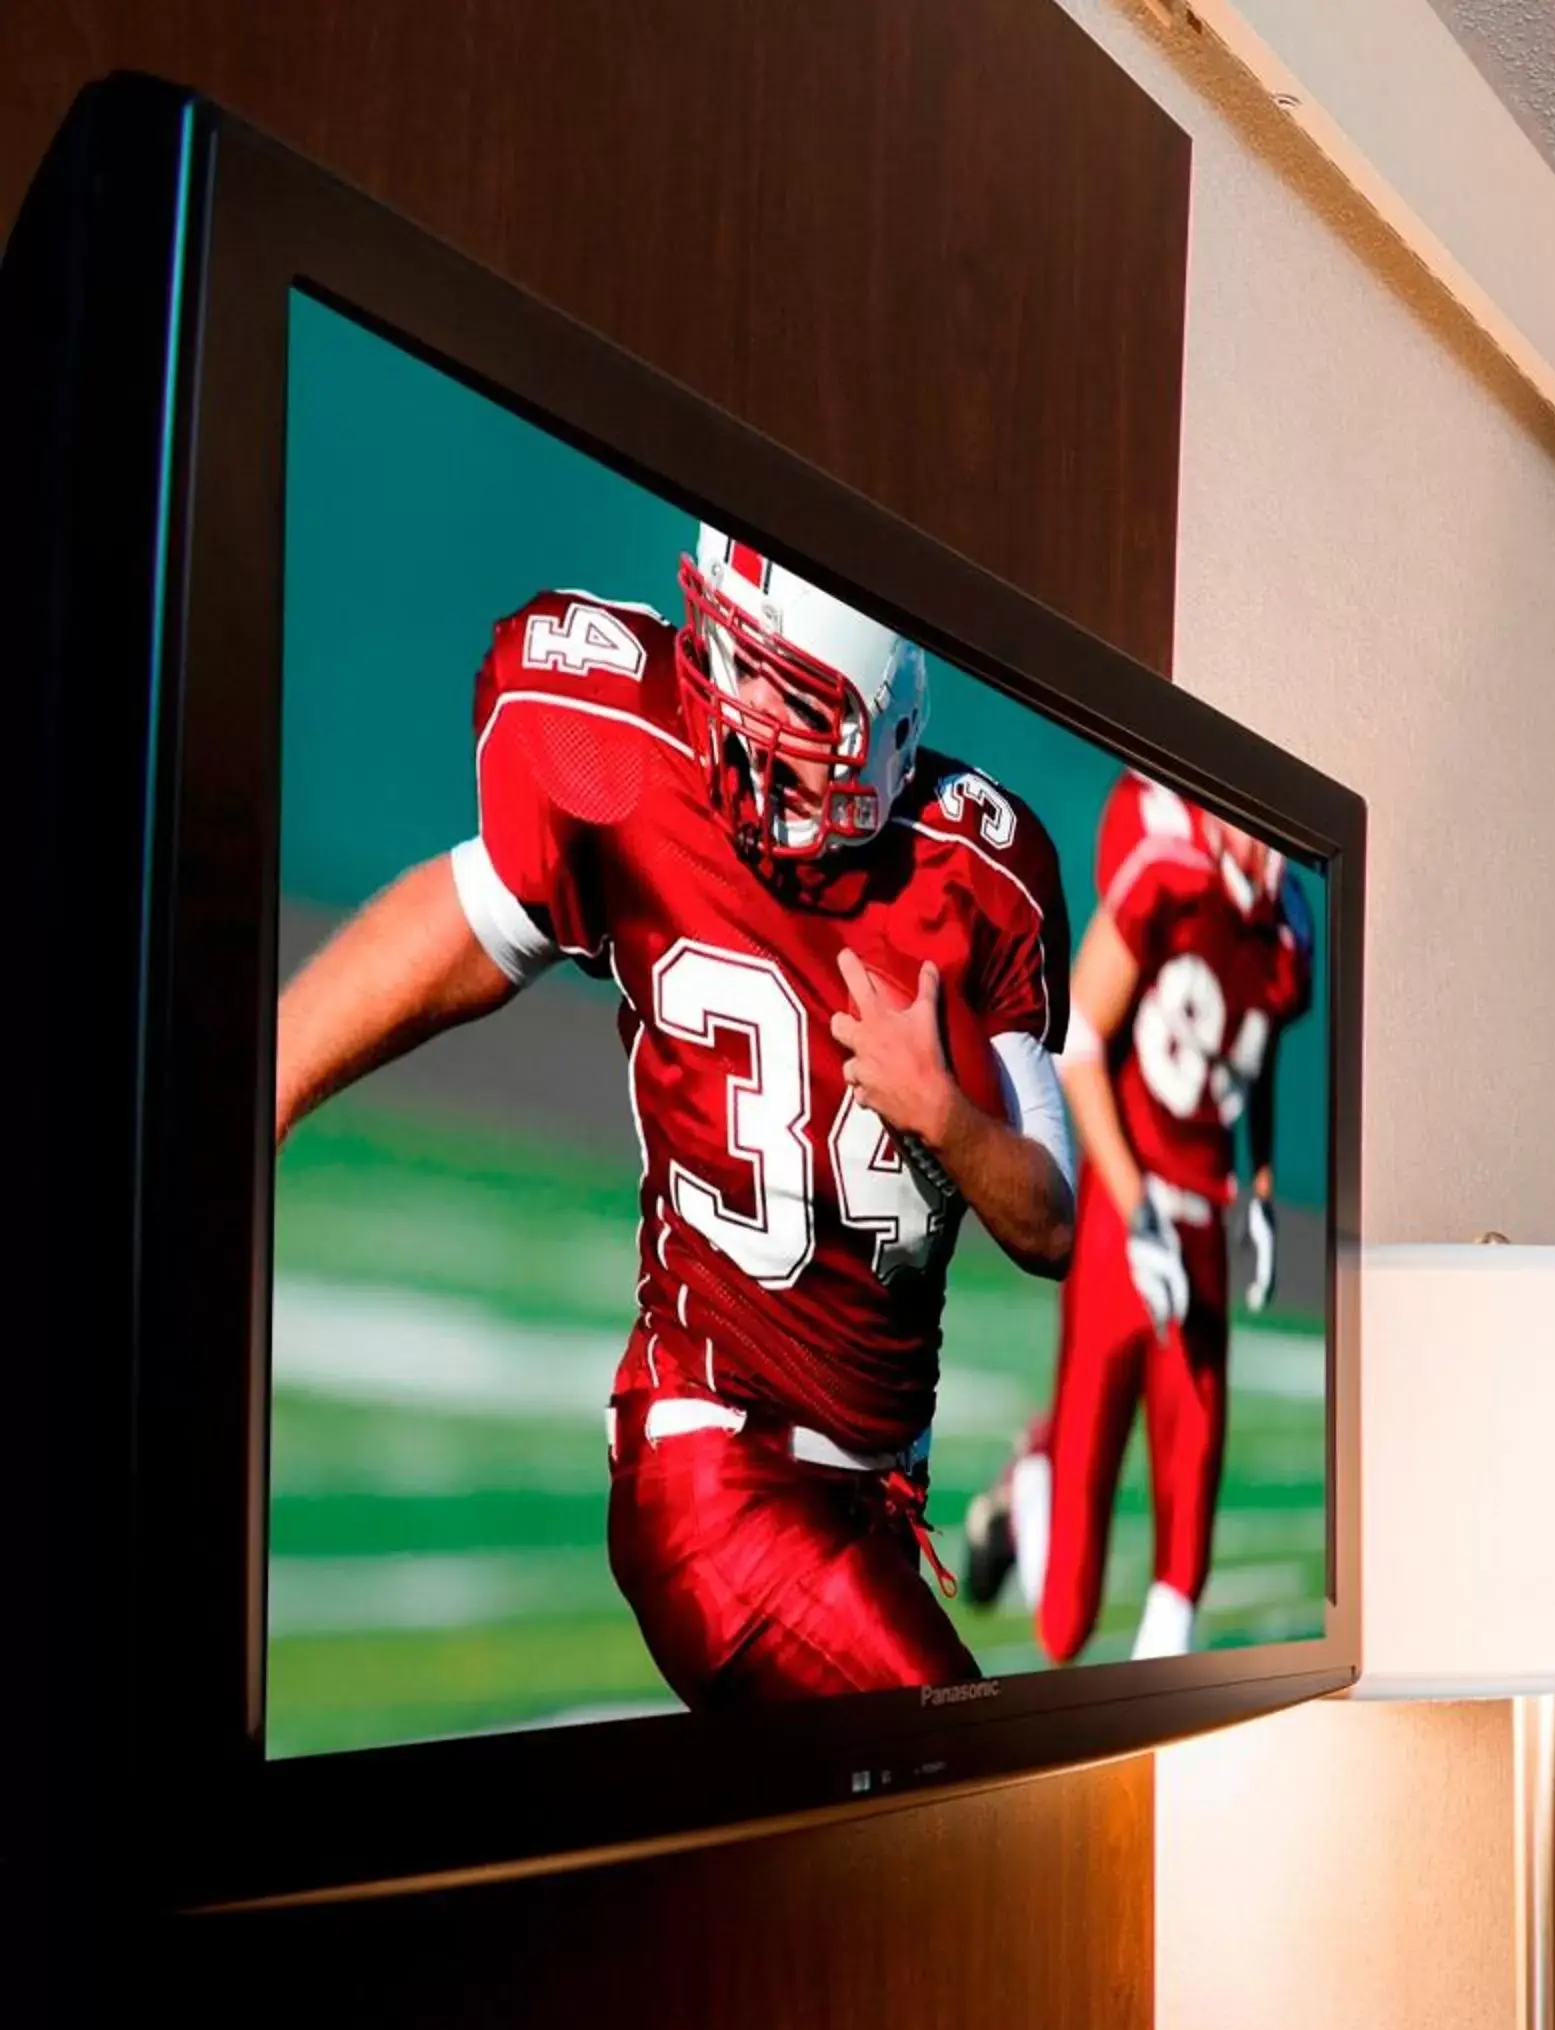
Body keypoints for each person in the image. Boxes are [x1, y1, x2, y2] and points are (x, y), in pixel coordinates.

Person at [274, 529, 1074, 1705]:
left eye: (789, 692)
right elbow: (470, 918)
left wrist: (944, 1115)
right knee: (975, 1788)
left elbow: (1051, 1220)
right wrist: (270, 1085)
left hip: (867, 1500)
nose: (744, 716)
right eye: (732, 665)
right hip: (713, 1468)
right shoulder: (635, 759)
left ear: (882, 724)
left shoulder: (972, 879)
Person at [960, 776, 1313, 1662]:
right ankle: (1036, 1472)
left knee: (1190, 1490)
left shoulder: (1289, 931)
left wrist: (1259, 1189)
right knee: (1063, 1624)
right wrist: (1137, 1208)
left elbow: (1255, 1054)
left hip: (1204, 1217)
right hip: (1131, 1205)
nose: (1265, 853)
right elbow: (1078, 1044)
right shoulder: (1167, 875)